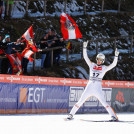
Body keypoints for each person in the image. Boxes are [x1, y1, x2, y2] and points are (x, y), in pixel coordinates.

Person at [67, 41, 119, 121]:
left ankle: (114, 116)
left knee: (104, 103)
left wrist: (116, 56)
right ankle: (71, 115)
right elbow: (85, 57)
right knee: (80, 101)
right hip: (89, 86)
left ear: (103, 61)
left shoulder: (104, 67)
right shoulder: (92, 65)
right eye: (98, 59)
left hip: (97, 88)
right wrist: (84, 48)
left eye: (100, 60)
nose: (99, 61)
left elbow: (113, 65)